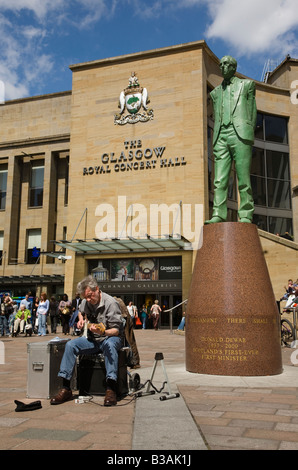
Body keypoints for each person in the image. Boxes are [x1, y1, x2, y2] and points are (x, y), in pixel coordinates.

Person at [50, 275, 124, 406]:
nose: (89, 300)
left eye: (90, 296)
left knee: (109, 345)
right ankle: (66, 387)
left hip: (110, 337)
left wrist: (103, 332)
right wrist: (81, 320)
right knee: (71, 345)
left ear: (97, 289)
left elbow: (116, 331)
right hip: (93, 340)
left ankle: (111, 388)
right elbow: (80, 311)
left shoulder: (111, 303)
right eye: (86, 297)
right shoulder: (86, 301)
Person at [205, 55, 257, 224]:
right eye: (221, 65)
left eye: (226, 64)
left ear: (234, 67)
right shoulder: (215, 93)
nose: (222, 67)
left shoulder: (247, 85)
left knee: (243, 177)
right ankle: (219, 214)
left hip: (240, 134)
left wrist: (248, 132)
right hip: (221, 135)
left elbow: (252, 112)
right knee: (219, 179)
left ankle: (246, 214)